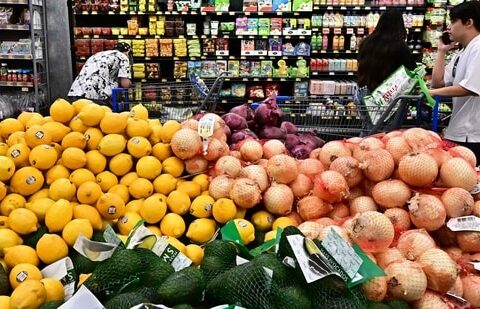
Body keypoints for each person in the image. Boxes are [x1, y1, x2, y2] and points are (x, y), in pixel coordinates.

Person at [429, 1, 480, 164]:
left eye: (453, 21)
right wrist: (441, 51)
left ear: (469, 22)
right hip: (459, 129)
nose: (448, 27)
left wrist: (431, 93)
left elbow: (471, 88)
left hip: (472, 133)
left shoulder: (478, 48)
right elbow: (438, 83)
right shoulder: (463, 51)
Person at [357, 9, 417, 93]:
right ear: (400, 25)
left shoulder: (366, 42)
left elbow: (360, 62)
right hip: (387, 96)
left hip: (365, 91)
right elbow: (412, 70)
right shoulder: (399, 46)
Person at [68, 42, 132, 106]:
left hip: (76, 92)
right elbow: (125, 84)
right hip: (95, 95)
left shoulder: (98, 54)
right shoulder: (123, 57)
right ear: (127, 52)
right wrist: (129, 83)